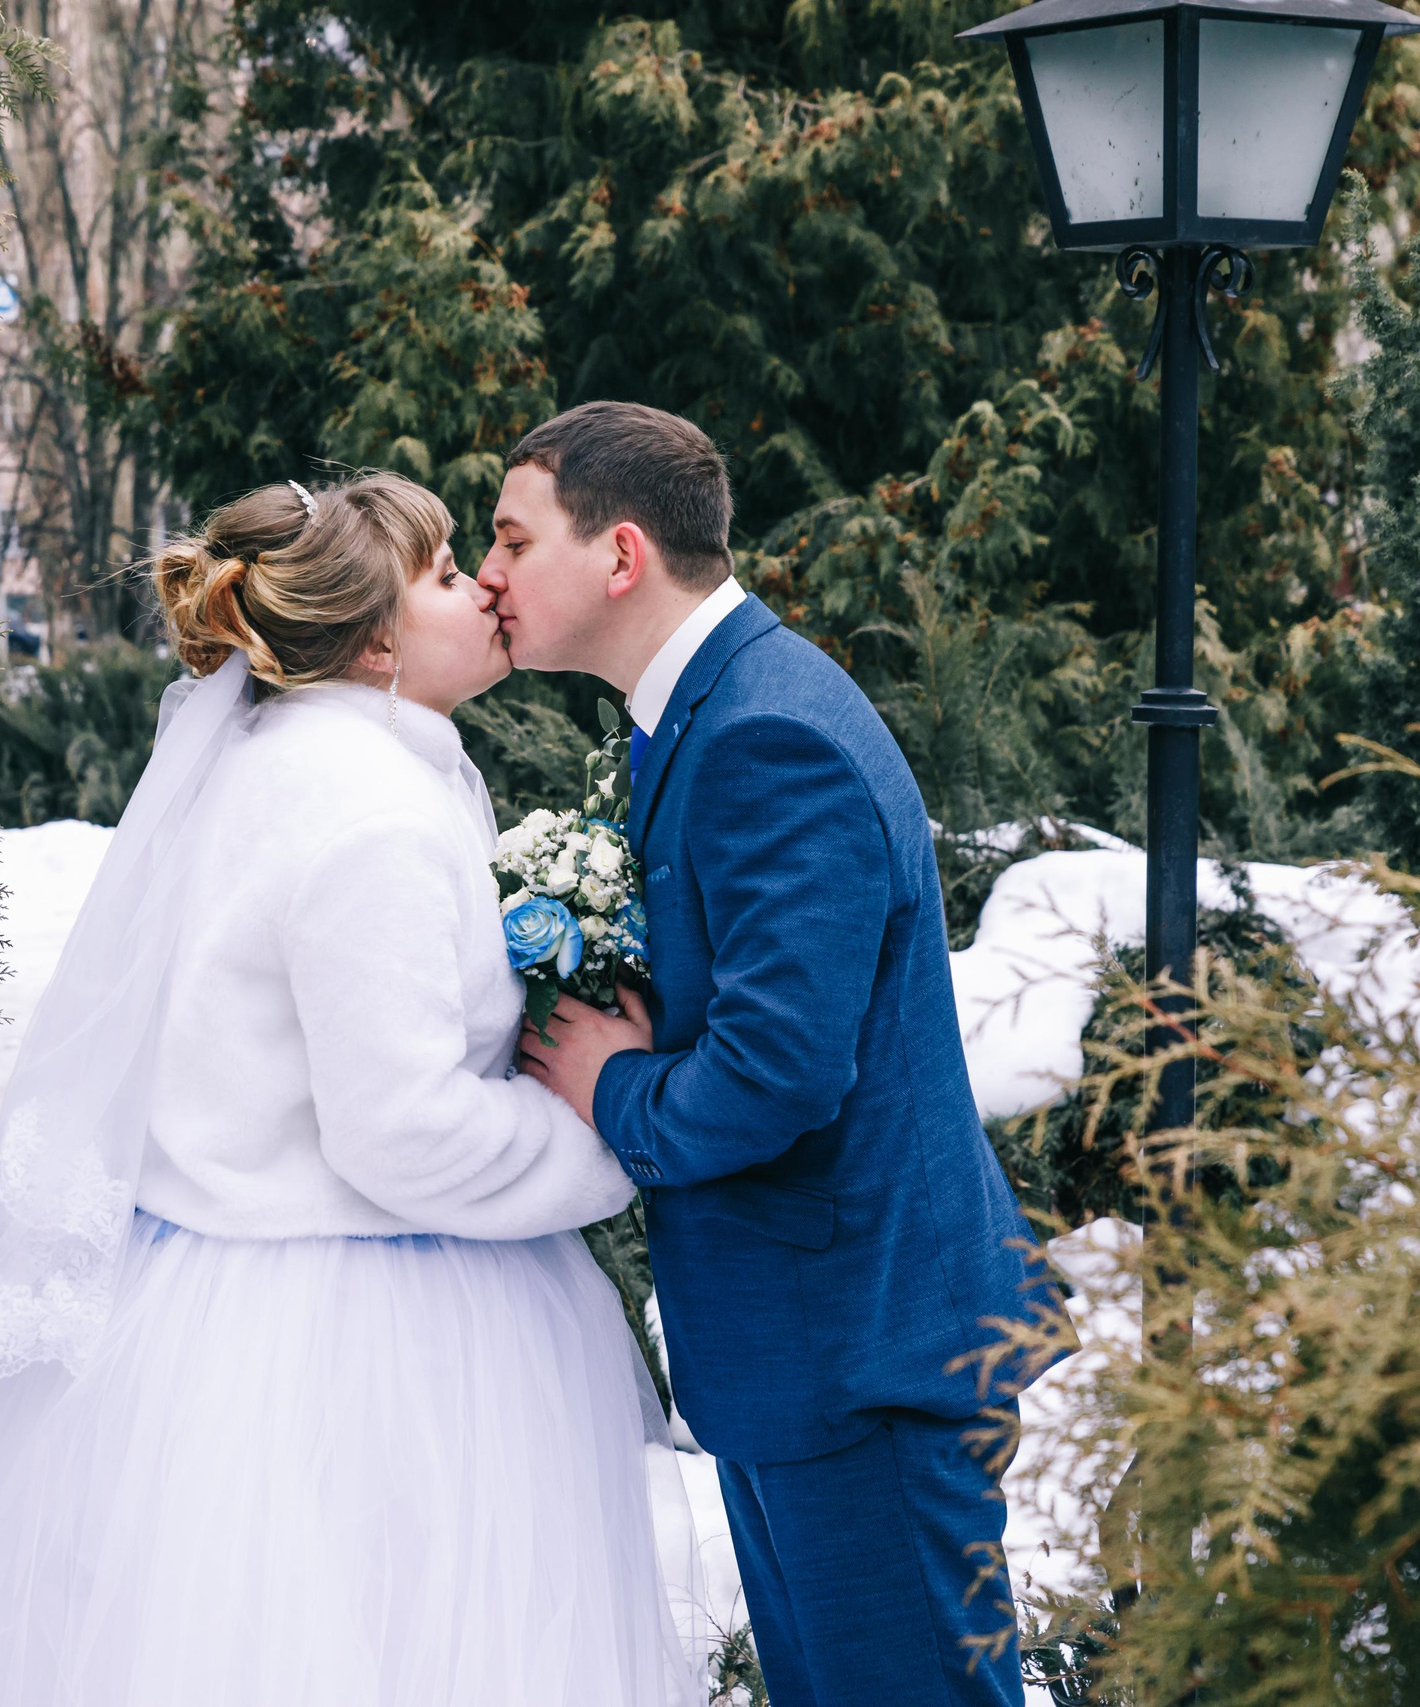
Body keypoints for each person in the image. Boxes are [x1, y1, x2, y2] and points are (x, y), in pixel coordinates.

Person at [0, 472, 701, 1707]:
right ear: (376, 642)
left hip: (221, 1289)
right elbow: (405, 1134)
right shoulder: (365, 812)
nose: (481, 584)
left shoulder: (298, 760)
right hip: (359, 1336)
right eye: (443, 574)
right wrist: (602, 1130)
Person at [481, 402, 1050, 1707]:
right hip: (810, 1353)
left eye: (515, 537)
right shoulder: (701, 710)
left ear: (619, 555)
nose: (492, 572)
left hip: (865, 1364)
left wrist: (605, 1079)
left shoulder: (763, 734)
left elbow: (780, 1074)